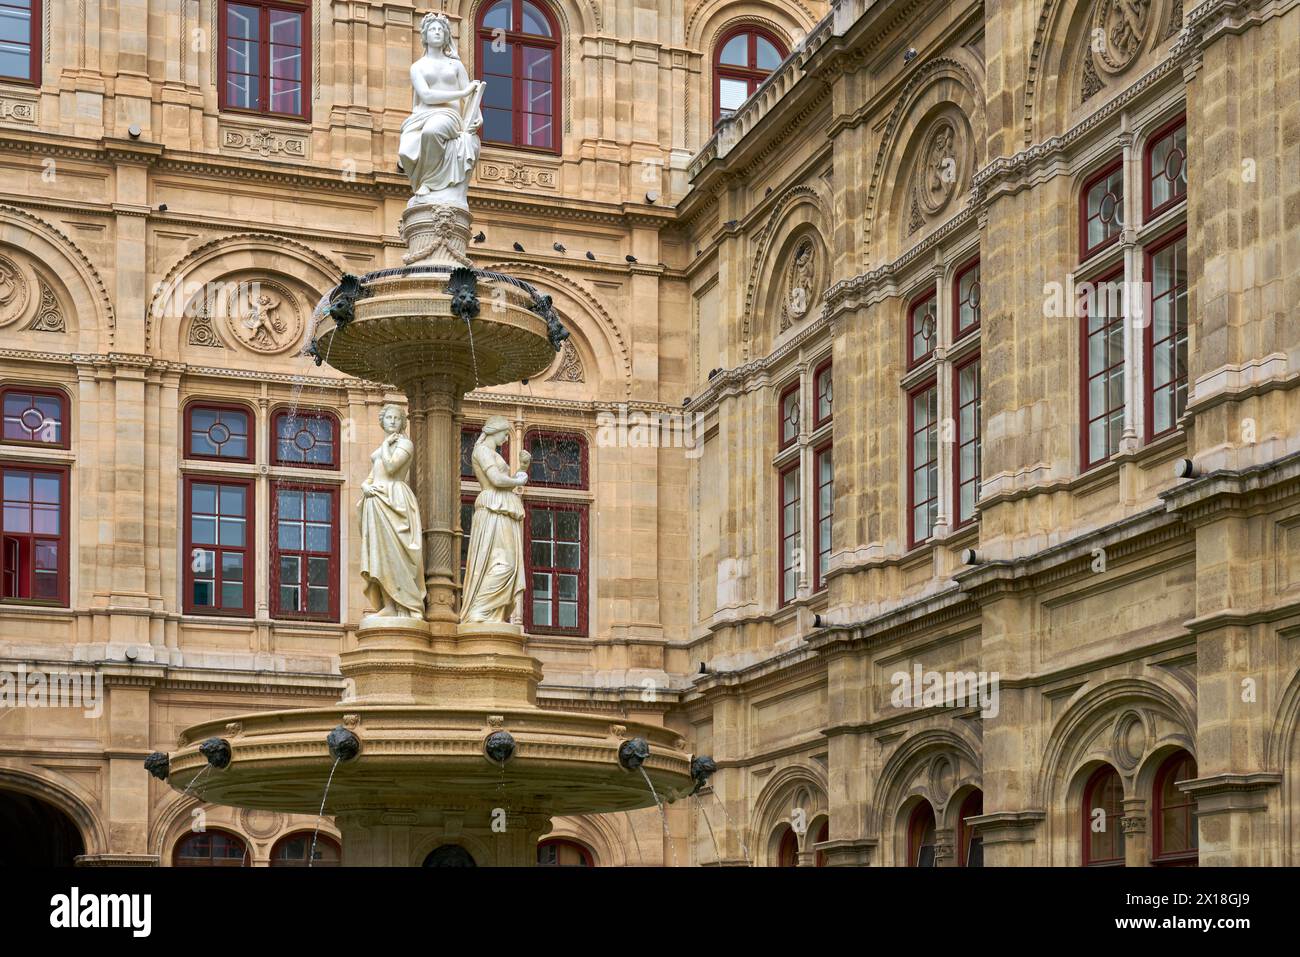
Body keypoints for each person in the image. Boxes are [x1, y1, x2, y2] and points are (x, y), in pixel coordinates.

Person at [359, 403, 426, 619]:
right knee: (381, 554)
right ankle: (388, 605)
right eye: (388, 418)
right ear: (382, 421)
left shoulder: (405, 444)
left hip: (395, 500)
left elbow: (390, 467)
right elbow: (373, 474)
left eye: (397, 418)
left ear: (403, 422)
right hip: (377, 500)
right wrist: (365, 486)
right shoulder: (386, 444)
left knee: (398, 553)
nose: (393, 421)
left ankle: (407, 605)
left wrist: (387, 446)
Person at [461, 416, 528, 624]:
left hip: (502, 507)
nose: (506, 440)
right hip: (493, 507)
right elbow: (497, 480)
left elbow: (506, 482)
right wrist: (517, 479)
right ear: (494, 430)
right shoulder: (482, 451)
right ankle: (479, 609)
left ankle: (492, 613)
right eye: (505, 434)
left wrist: (523, 467)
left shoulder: (491, 453)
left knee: (508, 564)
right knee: (501, 564)